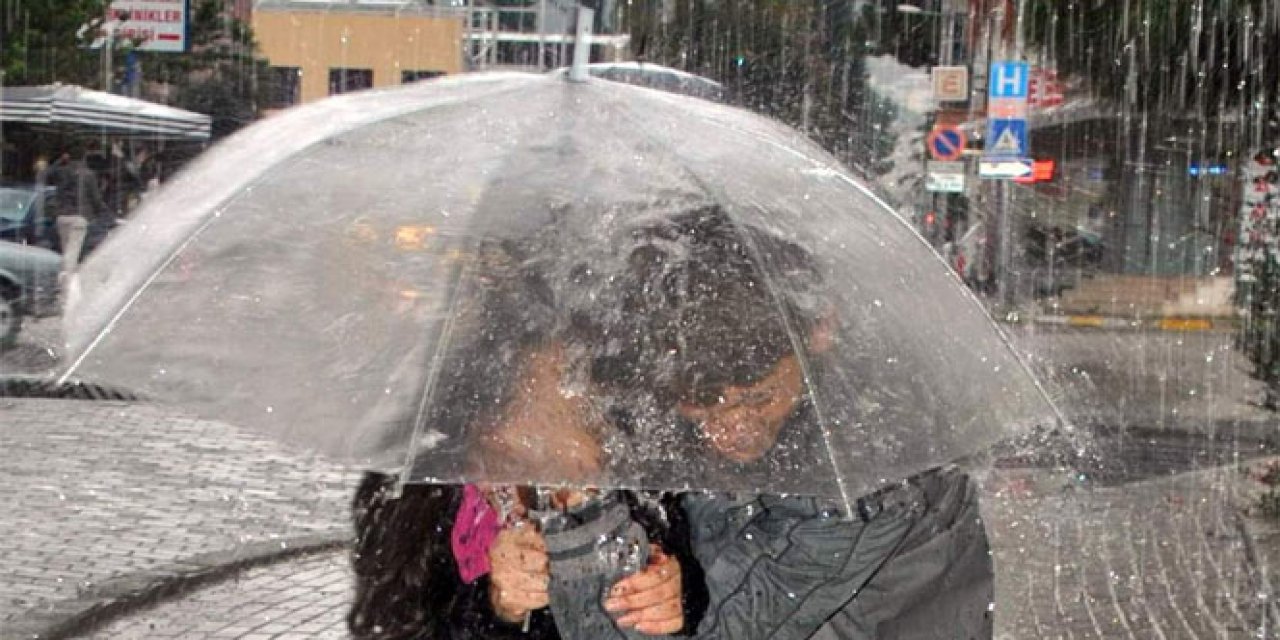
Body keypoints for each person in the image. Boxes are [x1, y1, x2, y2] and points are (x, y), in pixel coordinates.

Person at [571, 206, 994, 639]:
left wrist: (674, 593)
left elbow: (738, 623)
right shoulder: (653, 406)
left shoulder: (872, 462)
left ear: (819, 331)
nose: (735, 427)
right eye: (703, 404)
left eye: (760, 397)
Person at [52, 149, 109, 278]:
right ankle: (67, 279)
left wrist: (60, 161)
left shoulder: (62, 172)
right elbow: (96, 199)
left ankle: (63, 276)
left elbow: (47, 174)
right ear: (84, 158)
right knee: (73, 252)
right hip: (79, 217)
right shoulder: (88, 175)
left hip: (62, 217)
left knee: (66, 250)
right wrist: (104, 212)